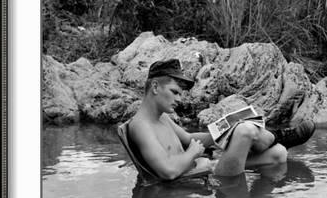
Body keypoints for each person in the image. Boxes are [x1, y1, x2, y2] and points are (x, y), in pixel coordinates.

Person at [128, 59, 315, 180]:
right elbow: (168, 171)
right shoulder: (140, 126)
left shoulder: (162, 119)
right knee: (245, 131)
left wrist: (223, 130)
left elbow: (189, 139)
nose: (179, 99)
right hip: (199, 176)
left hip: (205, 167)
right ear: (154, 87)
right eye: (175, 92)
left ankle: (278, 165)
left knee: (279, 154)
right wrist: (192, 153)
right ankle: (279, 136)